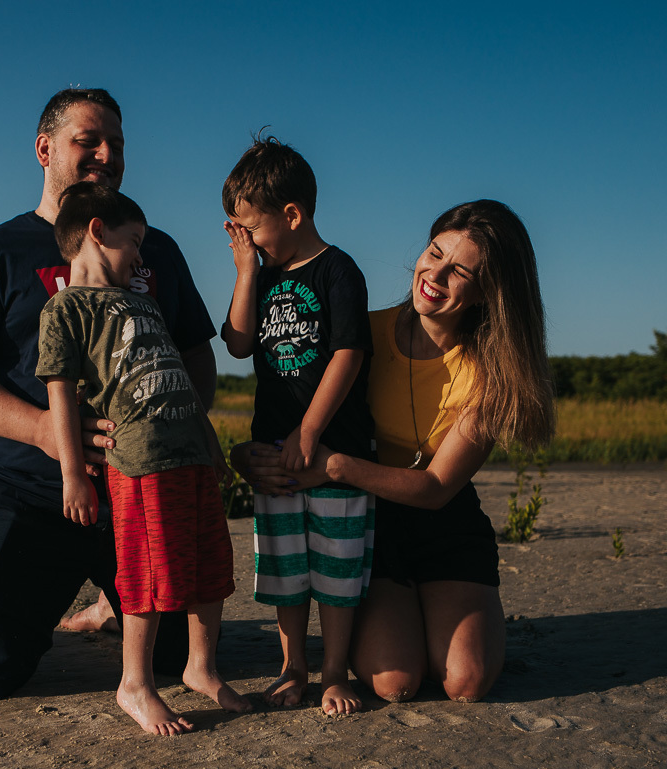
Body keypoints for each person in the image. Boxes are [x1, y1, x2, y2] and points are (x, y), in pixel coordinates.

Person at [0, 88, 218, 700]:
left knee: (171, 654)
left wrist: (173, 430)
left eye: (117, 144)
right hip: (33, 491)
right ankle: (49, 596)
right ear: (45, 149)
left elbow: (196, 354)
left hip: (139, 491)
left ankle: (113, 606)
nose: (107, 155)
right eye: (89, 141)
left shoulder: (151, 247)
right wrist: (44, 432)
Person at [232, 199, 555, 704]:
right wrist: (250, 456)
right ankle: (410, 624)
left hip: (445, 525)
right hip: (373, 525)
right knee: (394, 682)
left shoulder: (494, 375)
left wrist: (334, 466)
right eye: (434, 253)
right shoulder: (361, 334)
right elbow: (284, 399)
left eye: (459, 271)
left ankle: (457, 616)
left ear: (488, 293)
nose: (435, 275)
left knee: (465, 684)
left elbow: (435, 489)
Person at [37, 182, 250, 735]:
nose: (139, 254)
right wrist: (71, 475)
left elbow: (175, 372)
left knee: (209, 565)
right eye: (134, 241)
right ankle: (134, 684)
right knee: (148, 574)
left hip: (190, 455)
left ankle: (201, 668)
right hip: (139, 461)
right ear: (97, 231)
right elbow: (61, 394)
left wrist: (209, 441)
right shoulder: (66, 308)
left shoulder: (142, 300)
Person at [220, 136, 375, 715]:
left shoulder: (338, 269)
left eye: (250, 229)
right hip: (272, 453)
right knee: (287, 570)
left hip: (332, 446)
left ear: (293, 214)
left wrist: (310, 431)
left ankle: (335, 669)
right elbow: (236, 344)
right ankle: (294, 665)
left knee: (334, 568)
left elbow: (348, 352)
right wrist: (244, 270)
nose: (247, 241)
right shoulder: (258, 275)